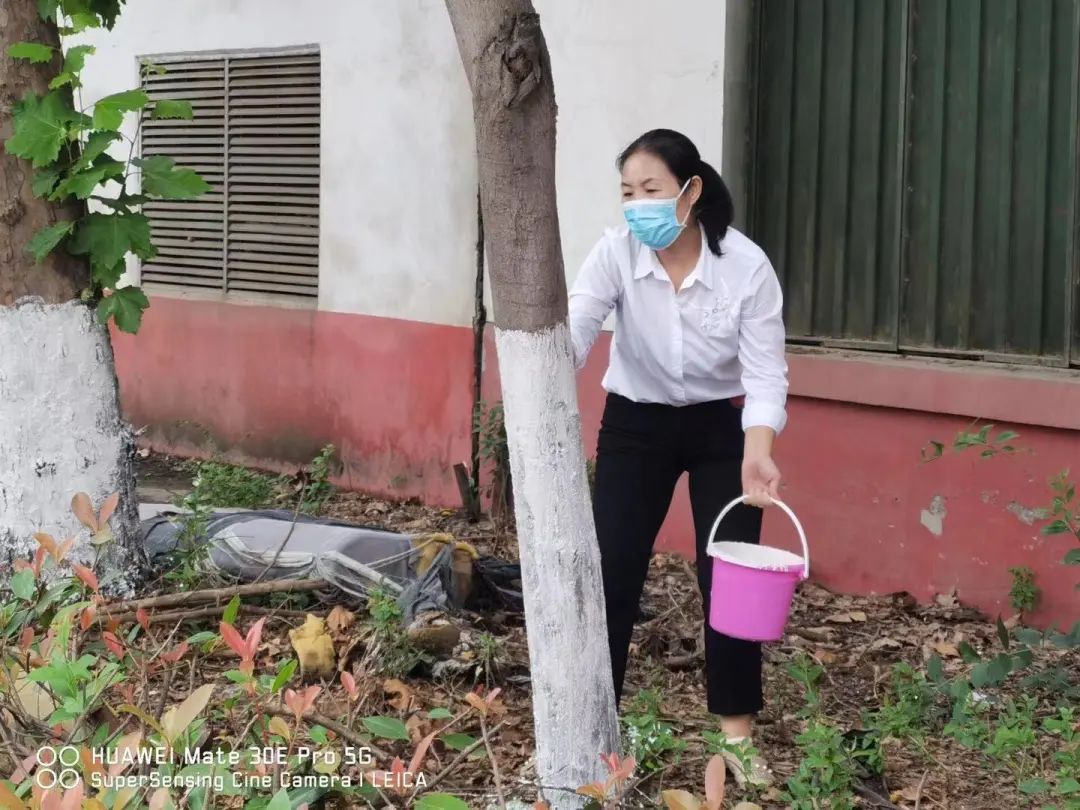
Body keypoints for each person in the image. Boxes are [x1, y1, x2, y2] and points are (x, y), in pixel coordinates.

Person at [568, 129, 789, 787]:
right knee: (611, 570)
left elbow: (766, 372)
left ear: (690, 193)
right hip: (637, 425)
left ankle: (738, 738)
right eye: (628, 193)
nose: (638, 206)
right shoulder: (614, 254)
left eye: (651, 191)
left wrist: (759, 452)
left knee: (732, 580)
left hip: (724, 431)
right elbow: (574, 333)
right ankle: (591, 735)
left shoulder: (746, 267)